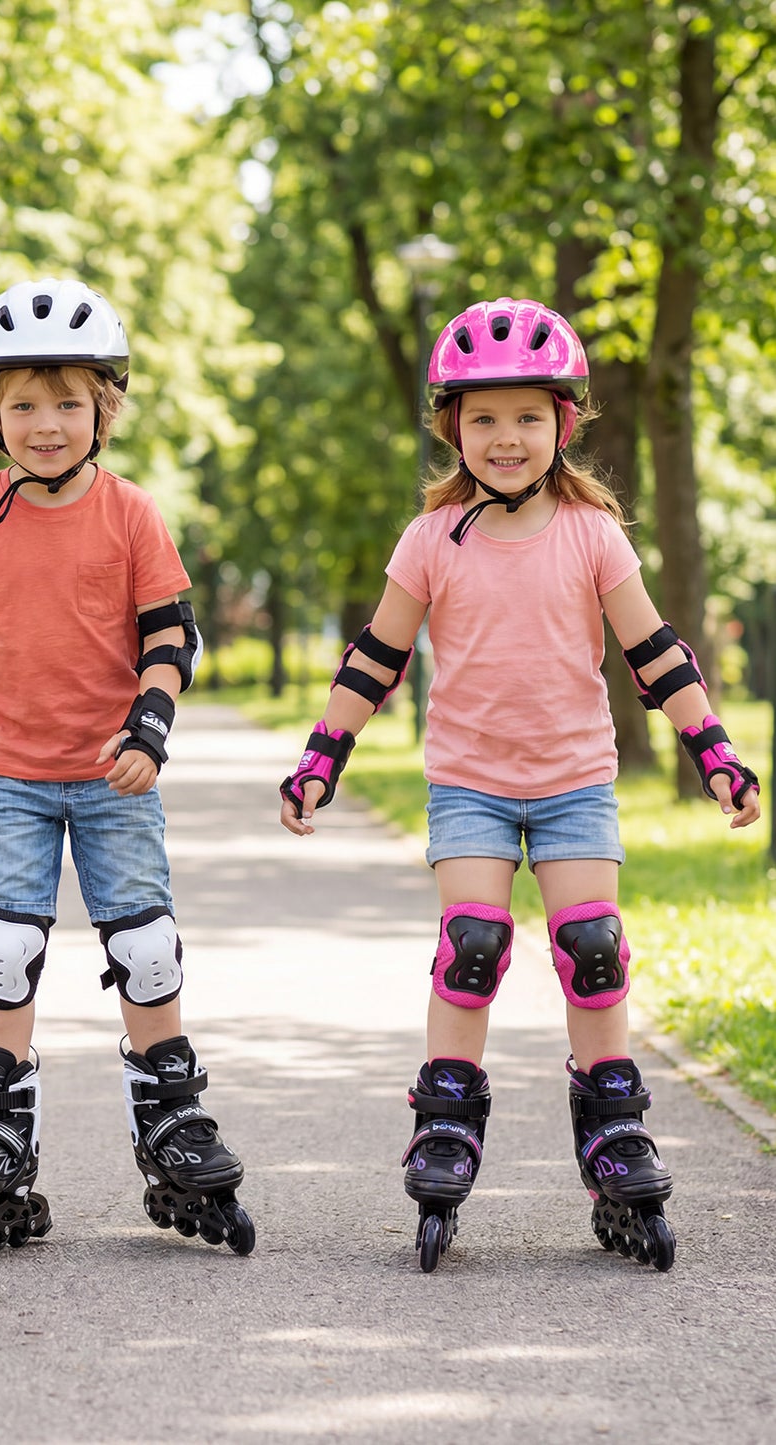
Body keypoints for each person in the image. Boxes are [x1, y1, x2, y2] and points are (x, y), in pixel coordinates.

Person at [278, 297, 760, 1274]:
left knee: (592, 947)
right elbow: (374, 655)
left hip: (574, 779)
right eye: (484, 418)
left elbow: (652, 649)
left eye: (527, 417)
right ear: (451, 425)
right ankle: (445, 1117)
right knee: (472, 944)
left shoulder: (590, 533)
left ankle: (612, 1125)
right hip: (469, 782)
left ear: (561, 425)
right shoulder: (429, 539)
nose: (505, 438)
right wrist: (322, 753)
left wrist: (711, 747)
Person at [0, 277, 254, 1264]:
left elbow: (171, 634)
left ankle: (169, 1112)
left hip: (114, 773)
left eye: (67, 402)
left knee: (147, 945)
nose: (45, 423)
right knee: (2, 945)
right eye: (23, 404)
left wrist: (150, 725)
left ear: (103, 410)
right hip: (8, 775)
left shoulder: (130, 515)